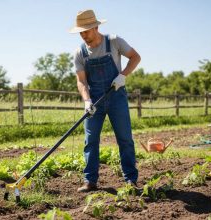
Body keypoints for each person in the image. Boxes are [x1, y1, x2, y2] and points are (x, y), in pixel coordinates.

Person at [69, 9, 141, 192]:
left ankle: (130, 180)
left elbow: (135, 57)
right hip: (95, 100)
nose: (83, 35)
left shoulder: (114, 41)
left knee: (124, 138)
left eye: (86, 30)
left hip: (116, 95)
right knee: (90, 140)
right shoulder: (80, 52)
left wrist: (123, 76)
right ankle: (90, 180)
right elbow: (81, 80)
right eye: (80, 32)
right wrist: (87, 101)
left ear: (95, 27)